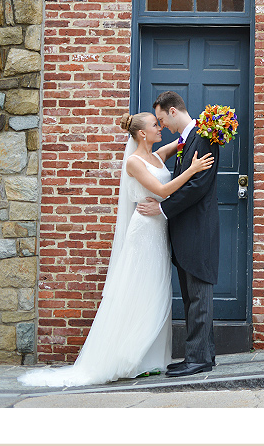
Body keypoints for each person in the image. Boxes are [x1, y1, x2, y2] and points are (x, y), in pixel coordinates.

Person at [18, 112, 214, 387]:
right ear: (142, 134)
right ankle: (126, 356)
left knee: (156, 293)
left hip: (159, 233)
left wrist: (213, 127)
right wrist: (193, 170)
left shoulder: (158, 155)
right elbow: (162, 188)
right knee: (137, 290)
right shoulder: (134, 162)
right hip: (144, 232)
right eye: (155, 125)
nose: (160, 128)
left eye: (160, 123)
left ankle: (149, 359)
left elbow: (186, 139)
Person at [136, 91, 220, 377]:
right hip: (187, 230)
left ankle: (198, 358)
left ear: (173, 112)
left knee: (198, 296)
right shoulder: (188, 139)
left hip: (198, 229)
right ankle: (203, 355)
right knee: (192, 295)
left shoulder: (205, 136)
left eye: (161, 119)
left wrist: (162, 209)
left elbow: (197, 186)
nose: (162, 126)